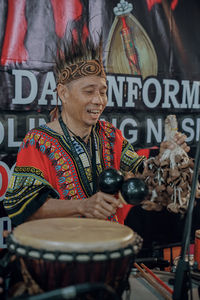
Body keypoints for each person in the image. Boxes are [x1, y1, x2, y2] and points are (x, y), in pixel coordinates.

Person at [3, 36, 189, 228]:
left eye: (103, 91)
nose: (99, 100)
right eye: (89, 91)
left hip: (108, 246)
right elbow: (21, 207)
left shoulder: (110, 135)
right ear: (63, 93)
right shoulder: (38, 142)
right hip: (61, 251)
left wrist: (166, 157)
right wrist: (82, 206)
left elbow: (143, 173)